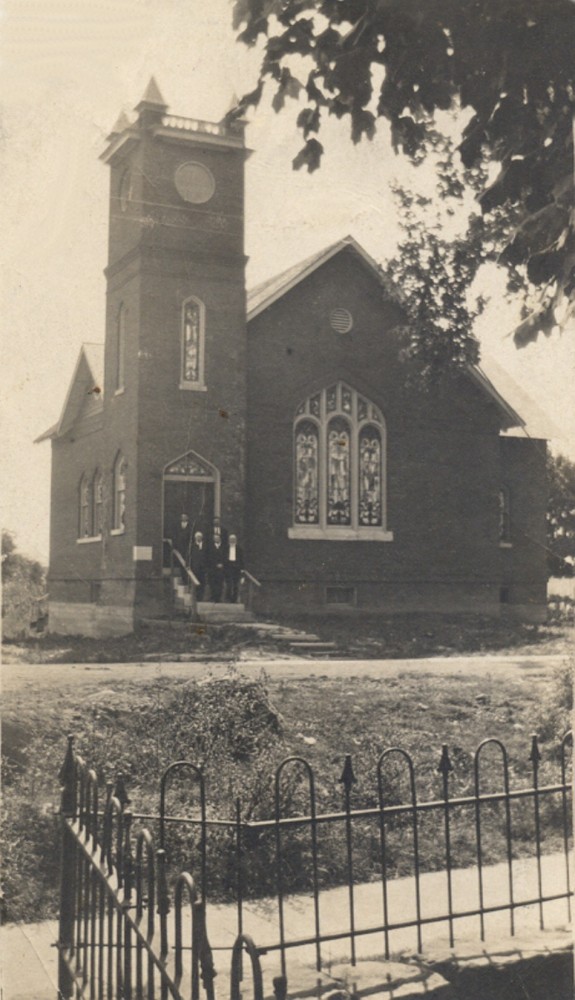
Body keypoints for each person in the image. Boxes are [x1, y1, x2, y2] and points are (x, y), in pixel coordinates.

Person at [207, 518, 228, 602]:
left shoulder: (223, 548)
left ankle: (218, 598)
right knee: (212, 582)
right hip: (212, 567)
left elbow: (225, 557)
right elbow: (209, 557)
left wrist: (222, 564)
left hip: (221, 567)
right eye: (215, 538)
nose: (217, 539)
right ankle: (212, 597)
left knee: (220, 582)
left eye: (218, 538)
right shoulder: (210, 548)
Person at [224, 533, 244, 603]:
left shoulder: (239, 549)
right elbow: (223, 558)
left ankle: (234, 599)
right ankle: (228, 598)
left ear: (236, 540)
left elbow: (242, 559)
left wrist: (242, 569)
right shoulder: (226, 548)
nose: (232, 540)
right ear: (229, 540)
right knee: (229, 583)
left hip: (236, 567)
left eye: (233, 539)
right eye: (231, 539)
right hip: (228, 567)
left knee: (235, 584)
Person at [189, 530, 207, 601]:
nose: (198, 538)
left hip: (203, 568)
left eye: (200, 537)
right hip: (195, 568)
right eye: (197, 537)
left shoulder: (205, 546)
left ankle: (201, 597)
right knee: (195, 583)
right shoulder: (192, 546)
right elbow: (189, 556)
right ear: (195, 538)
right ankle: (195, 598)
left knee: (202, 583)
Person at [174, 514, 191, 584]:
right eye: (182, 518)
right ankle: (184, 579)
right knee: (181, 564)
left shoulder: (190, 527)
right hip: (180, 549)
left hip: (187, 549)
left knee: (186, 563)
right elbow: (175, 536)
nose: (183, 519)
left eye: (185, 518)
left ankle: (187, 580)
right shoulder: (178, 527)